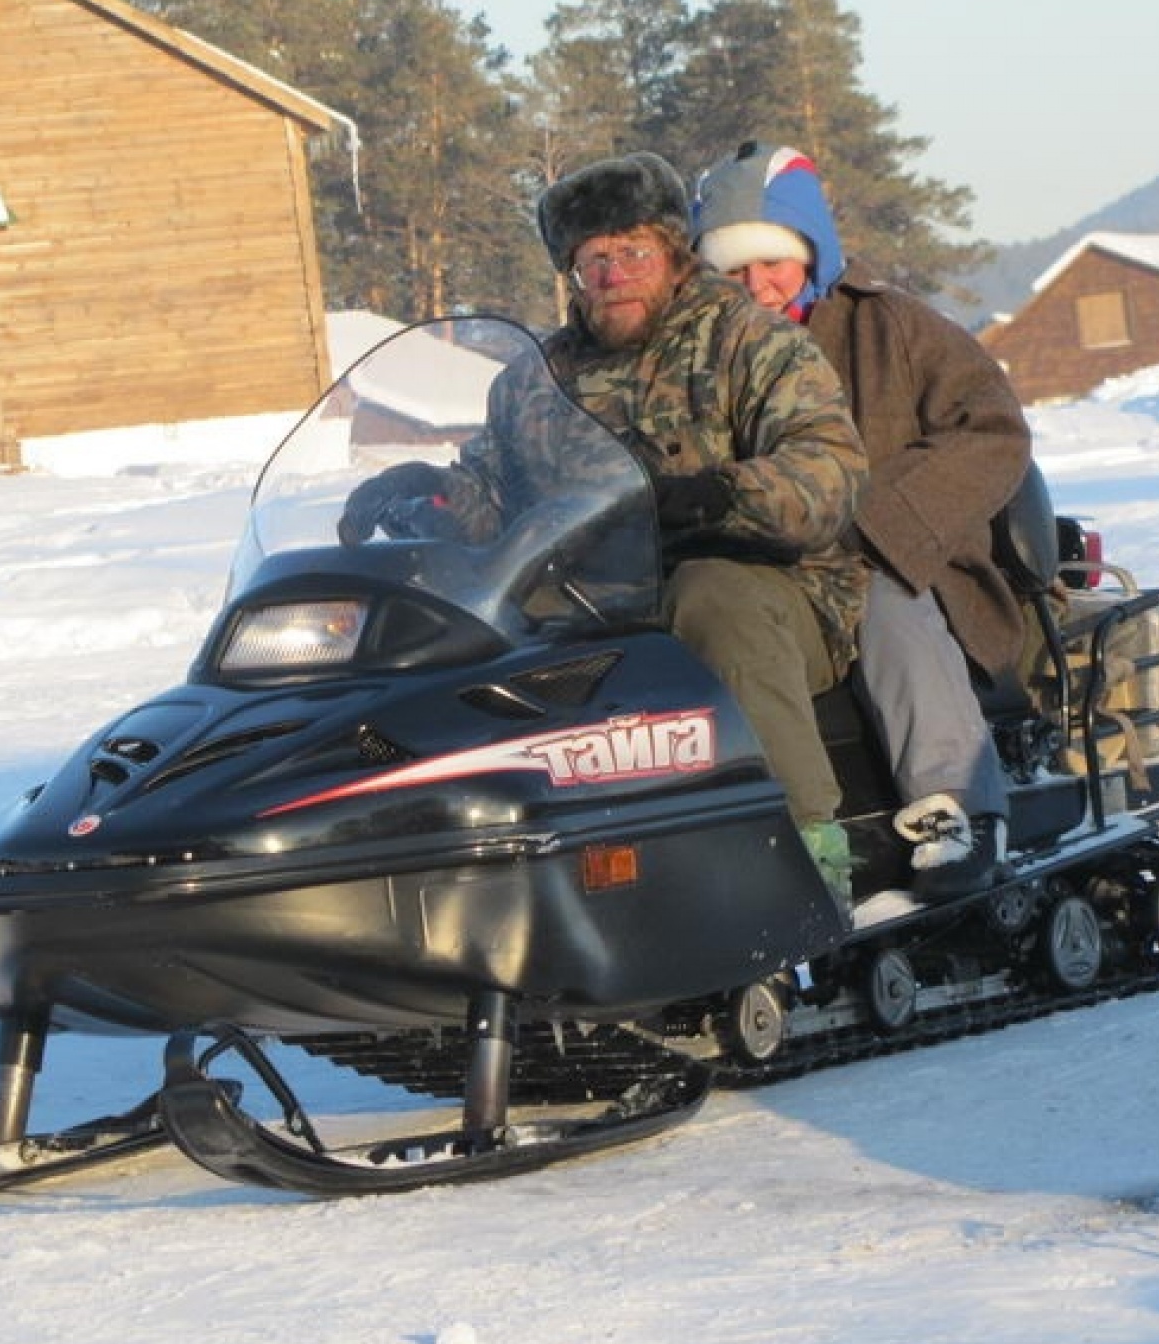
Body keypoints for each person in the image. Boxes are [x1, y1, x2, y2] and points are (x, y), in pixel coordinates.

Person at [341, 151, 869, 903]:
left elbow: (830, 471)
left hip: (772, 591)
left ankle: (806, 849)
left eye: (632, 253)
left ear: (674, 254)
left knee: (712, 593)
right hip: (591, 599)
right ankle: (471, 858)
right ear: (573, 274)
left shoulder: (750, 343)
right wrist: (430, 496)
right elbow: (496, 500)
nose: (614, 273)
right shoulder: (534, 379)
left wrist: (719, 496)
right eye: (595, 260)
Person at [693, 141, 1034, 901]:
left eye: (774, 263)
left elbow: (992, 428)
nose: (758, 286)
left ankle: (958, 807)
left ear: (812, 251)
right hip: (767, 575)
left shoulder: (892, 329)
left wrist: (883, 518)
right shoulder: (694, 356)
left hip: (896, 554)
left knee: (887, 606)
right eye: (734, 270)